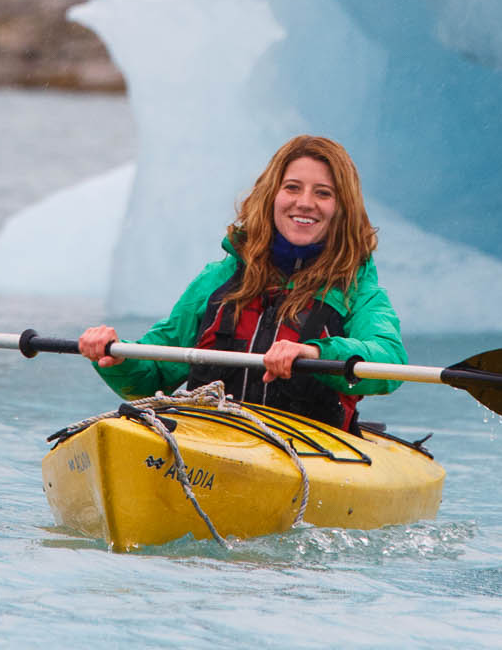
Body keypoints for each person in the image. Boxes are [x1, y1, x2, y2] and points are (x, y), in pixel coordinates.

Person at [78, 134, 404, 431]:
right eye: (292, 188)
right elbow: (152, 378)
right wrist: (116, 358)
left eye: (323, 193)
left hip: (309, 450)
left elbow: (388, 360)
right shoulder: (218, 280)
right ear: (271, 195)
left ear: (342, 209)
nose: (305, 202)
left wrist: (315, 351)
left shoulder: (357, 292)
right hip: (208, 437)